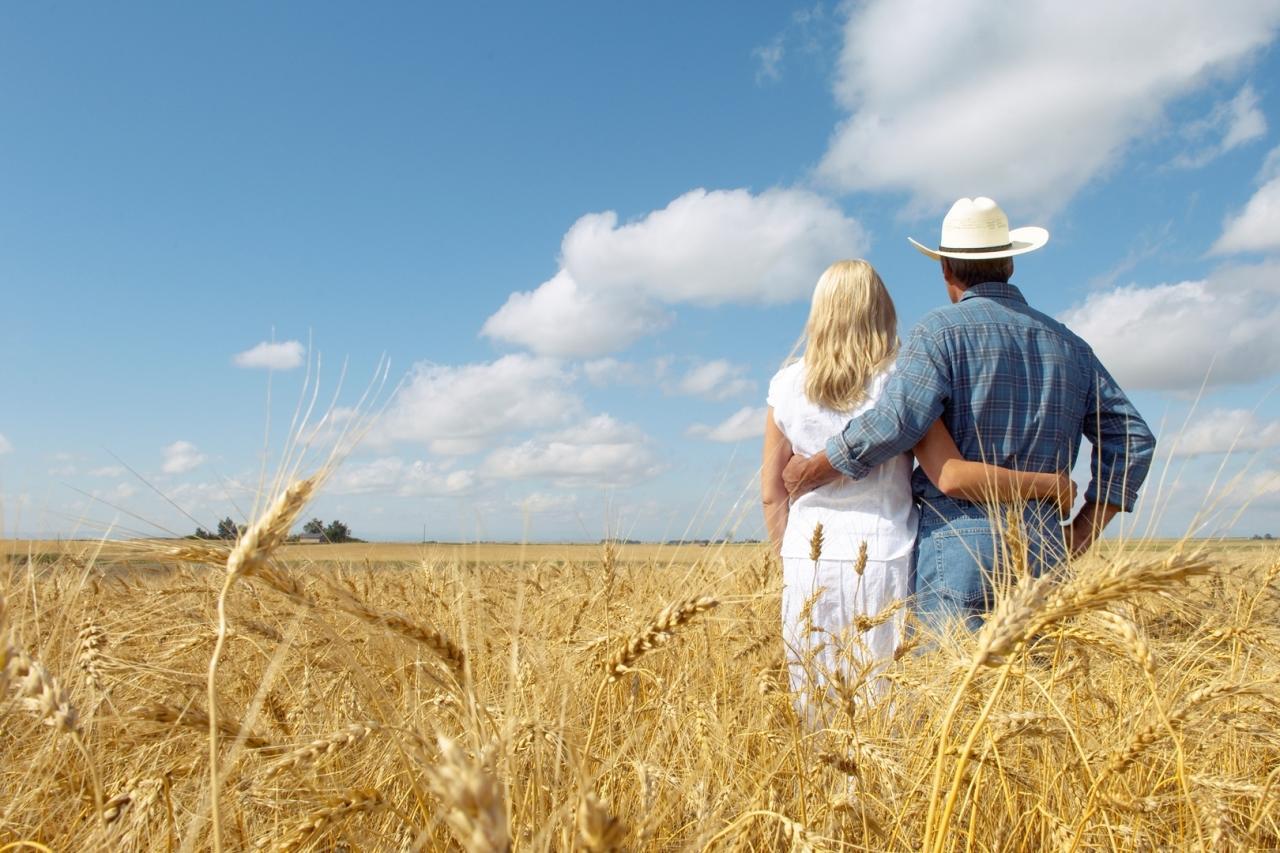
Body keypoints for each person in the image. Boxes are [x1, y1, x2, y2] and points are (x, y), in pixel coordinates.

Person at [783, 198, 1156, 633]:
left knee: (953, 689)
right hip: (1045, 539)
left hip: (959, 540)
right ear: (1011, 263)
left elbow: (897, 421)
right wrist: (1086, 529)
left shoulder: (938, 333)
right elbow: (1132, 436)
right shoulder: (1069, 344)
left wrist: (813, 469)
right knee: (1035, 694)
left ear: (945, 269)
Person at [761, 259, 1074, 716]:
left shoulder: (787, 384)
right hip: (885, 555)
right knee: (882, 696)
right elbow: (945, 471)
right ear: (882, 309)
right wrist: (1049, 486)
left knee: (814, 692)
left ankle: (825, 785)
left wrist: (790, 557)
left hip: (806, 560)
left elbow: (773, 490)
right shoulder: (902, 377)